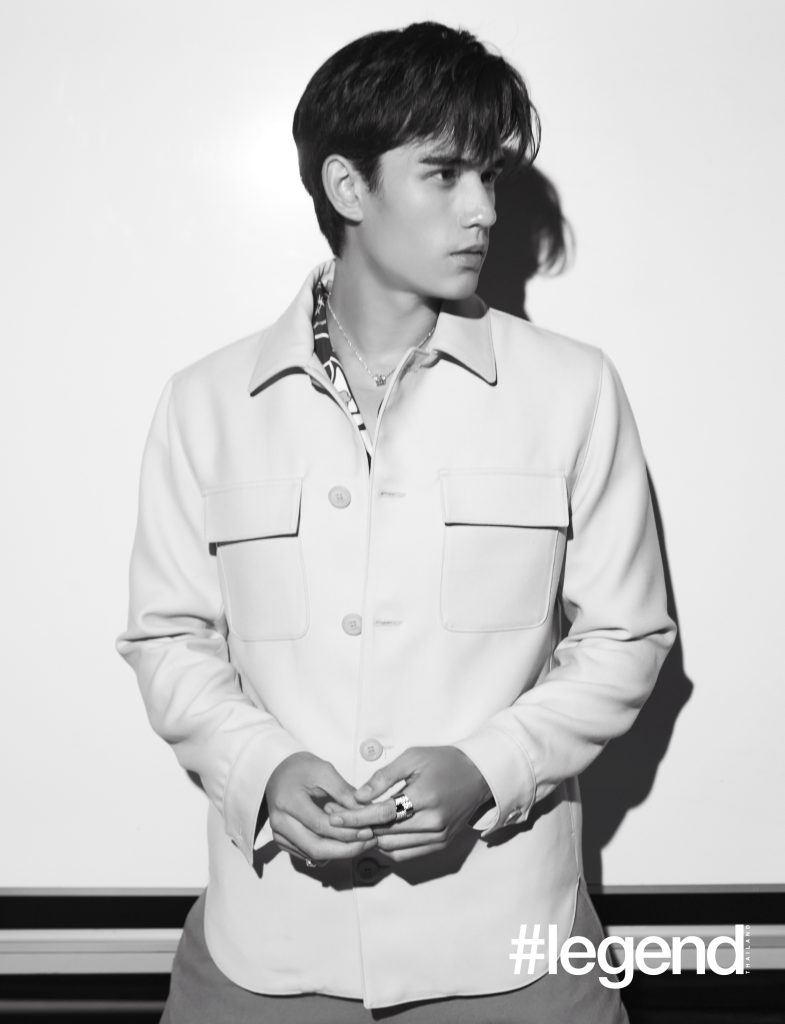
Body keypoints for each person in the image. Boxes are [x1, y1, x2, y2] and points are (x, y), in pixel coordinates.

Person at [117, 20, 675, 1023]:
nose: (483, 210)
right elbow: (168, 636)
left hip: (513, 957)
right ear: (347, 186)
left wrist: (489, 770)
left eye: (488, 178)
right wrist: (262, 769)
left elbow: (625, 636)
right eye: (445, 175)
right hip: (267, 951)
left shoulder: (571, 390)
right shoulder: (207, 403)